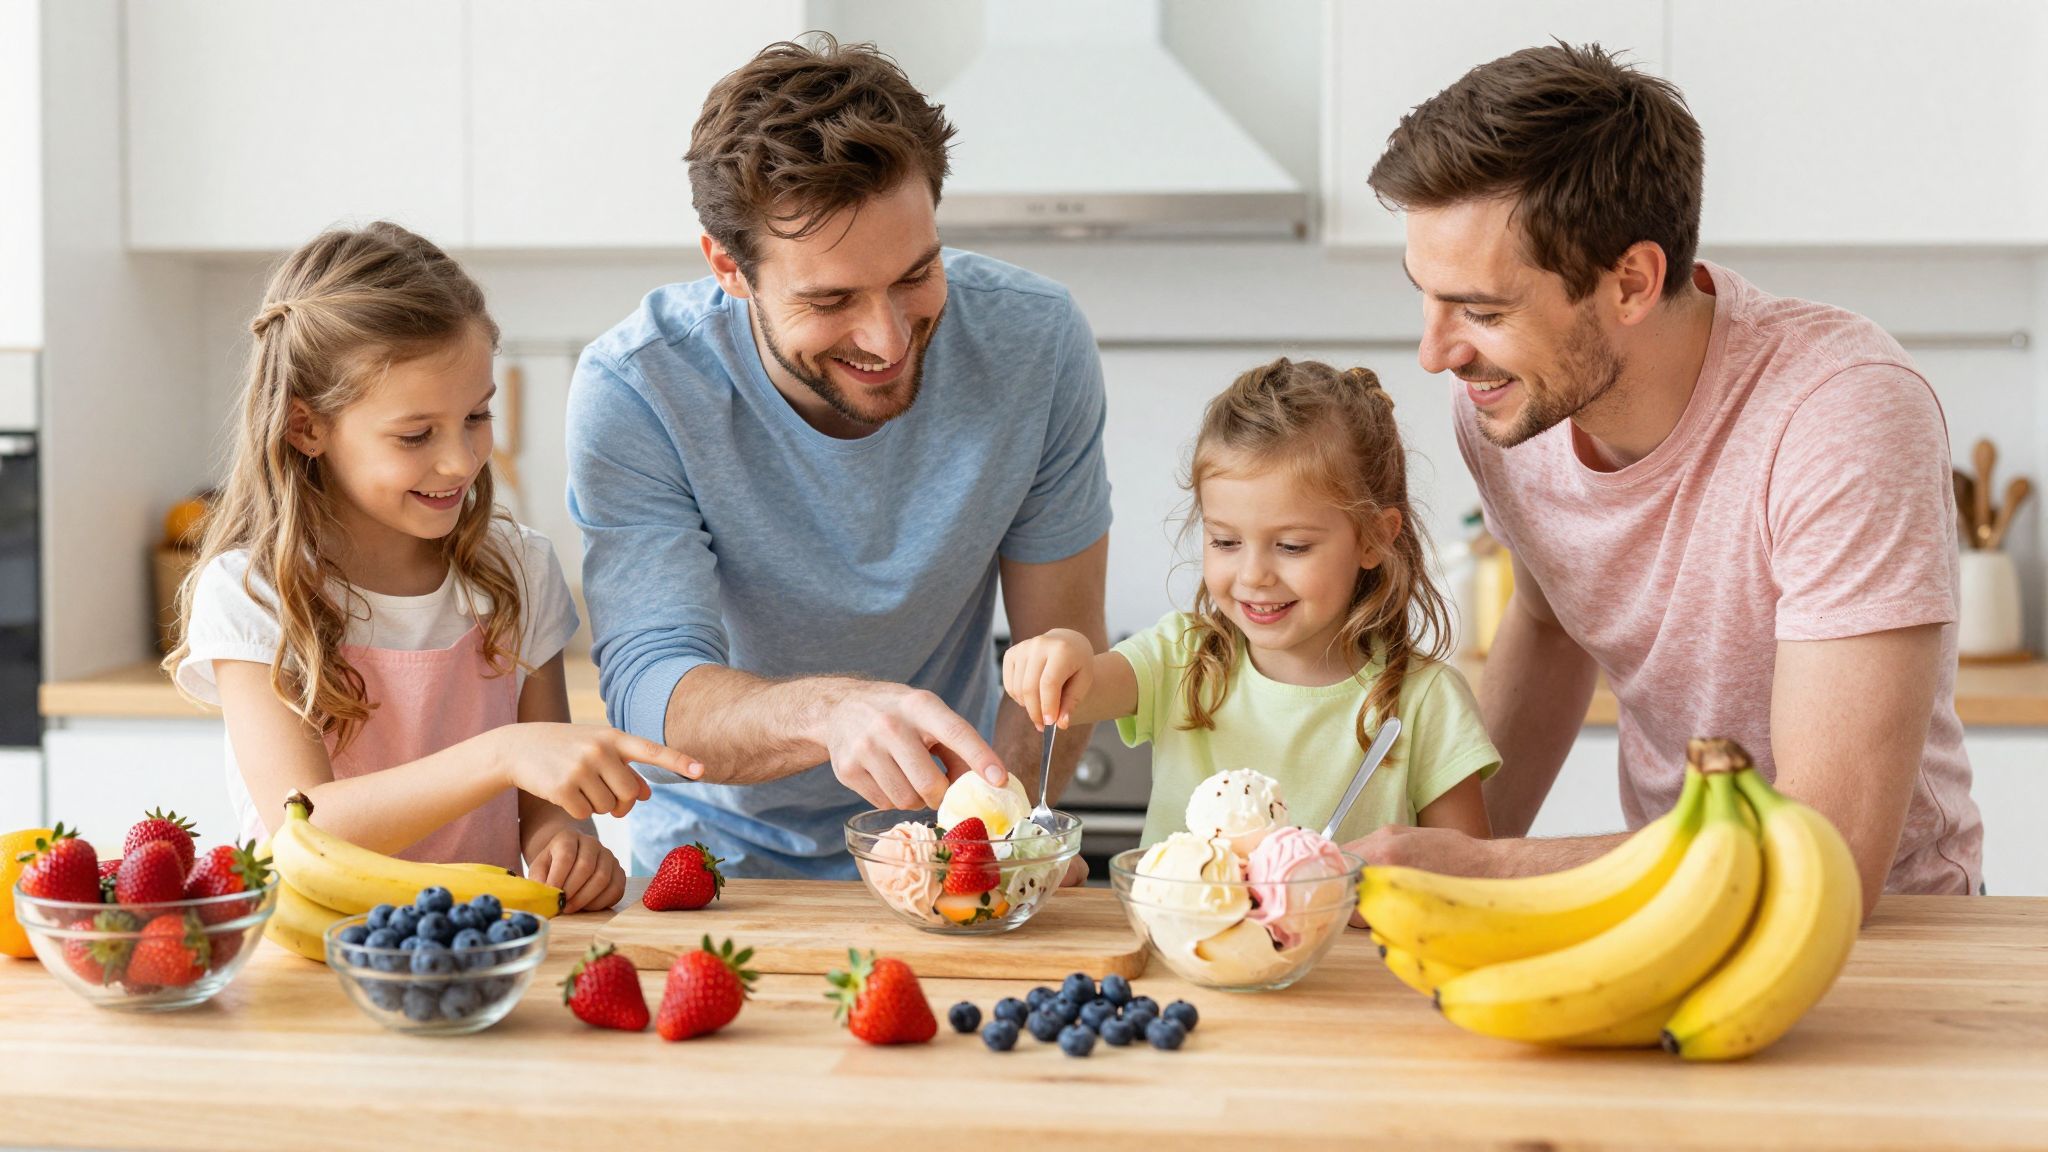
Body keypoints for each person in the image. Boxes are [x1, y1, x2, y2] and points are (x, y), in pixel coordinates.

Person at [1359, 42, 1980, 909]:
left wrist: (1490, 872)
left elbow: (1831, 848)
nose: (1436, 353)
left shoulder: (1842, 415)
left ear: (1633, 282)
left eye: (1483, 312)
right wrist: (1437, 862)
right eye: (1426, 294)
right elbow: (1548, 625)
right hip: (1658, 909)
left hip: (1881, 940)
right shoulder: (1510, 407)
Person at [566, 37, 1112, 878]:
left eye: (916, 273)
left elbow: (1060, 651)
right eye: (831, 299)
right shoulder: (640, 387)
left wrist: (1014, 834)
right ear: (728, 267)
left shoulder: (1034, 345)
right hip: (707, 871)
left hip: (945, 856)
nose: (886, 338)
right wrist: (833, 712)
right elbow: (651, 685)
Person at [166, 222, 698, 913]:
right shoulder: (253, 594)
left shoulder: (518, 571)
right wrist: (501, 753)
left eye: (476, 415)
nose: (460, 460)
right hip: (315, 957)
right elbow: (300, 828)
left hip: (487, 951)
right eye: (416, 434)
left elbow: (547, 811)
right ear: (307, 427)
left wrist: (569, 845)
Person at [1004, 358, 1496, 848]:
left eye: (1292, 546)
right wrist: (1061, 649)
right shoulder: (1180, 657)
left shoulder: (1425, 702)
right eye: (1225, 542)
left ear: (1373, 539)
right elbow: (1084, 684)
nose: (1254, 575)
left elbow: (1465, 880)